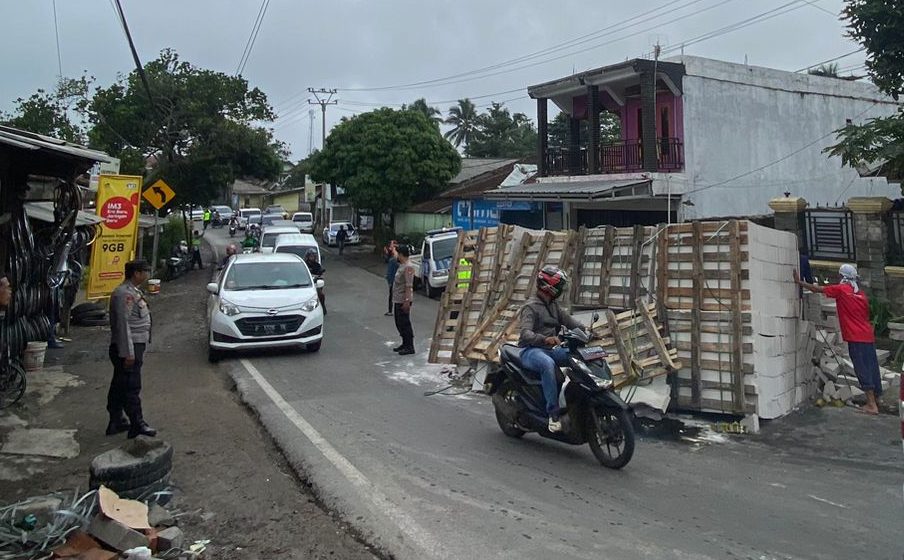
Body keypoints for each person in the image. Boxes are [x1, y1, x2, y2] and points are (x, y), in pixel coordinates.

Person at [794, 264, 882, 415]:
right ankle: (877, 398)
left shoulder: (842, 290)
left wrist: (799, 282)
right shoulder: (861, 295)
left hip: (856, 337)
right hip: (867, 335)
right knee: (872, 367)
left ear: (842, 277)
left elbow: (818, 289)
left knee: (862, 369)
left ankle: (871, 405)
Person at [518, 265, 584, 433]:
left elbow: (570, 322)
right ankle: (553, 414)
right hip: (531, 351)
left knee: (577, 356)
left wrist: (588, 331)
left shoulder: (553, 306)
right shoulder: (530, 307)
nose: (561, 290)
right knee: (547, 365)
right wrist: (544, 339)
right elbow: (525, 334)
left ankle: (581, 401)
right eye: (559, 286)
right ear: (549, 287)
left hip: (551, 349)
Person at [107, 260, 157, 438]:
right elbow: (123, 325)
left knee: (120, 385)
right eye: (145, 271)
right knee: (131, 386)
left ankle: (116, 420)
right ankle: (137, 423)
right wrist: (128, 352)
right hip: (129, 346)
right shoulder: (124, 294)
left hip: (134, 344)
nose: (147, 275)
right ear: (136, 273)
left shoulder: (133, 292)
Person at [391, 244, 416, 355]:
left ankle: (409, 346)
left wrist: (406, 301)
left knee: (405, 323)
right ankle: (404, 343)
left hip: (403, 300)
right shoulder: (402, 265)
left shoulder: (408, 267)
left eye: (398, 254)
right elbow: (394, 256)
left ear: (402, 254)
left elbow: (408, 285)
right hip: (397, 299)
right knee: (399, 323)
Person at [304, 249, 327, 315]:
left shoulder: (317, 265)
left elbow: (321, 275)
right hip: (305, 283)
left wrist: (320, 275)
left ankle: (323, 307)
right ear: (308, 256)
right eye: (311, 256)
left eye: (314, 256)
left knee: (321, 295)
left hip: (315, 284)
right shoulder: (305, 264)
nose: (313, 257)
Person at [384, 241, 399, 317]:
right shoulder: (391, 256)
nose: (390, 247)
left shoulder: (395, 257)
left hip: (394, 279)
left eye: (391, 245)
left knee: (393, 295)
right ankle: (390, 310)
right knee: (392, 295)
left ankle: (393, 310)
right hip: (391, 278)